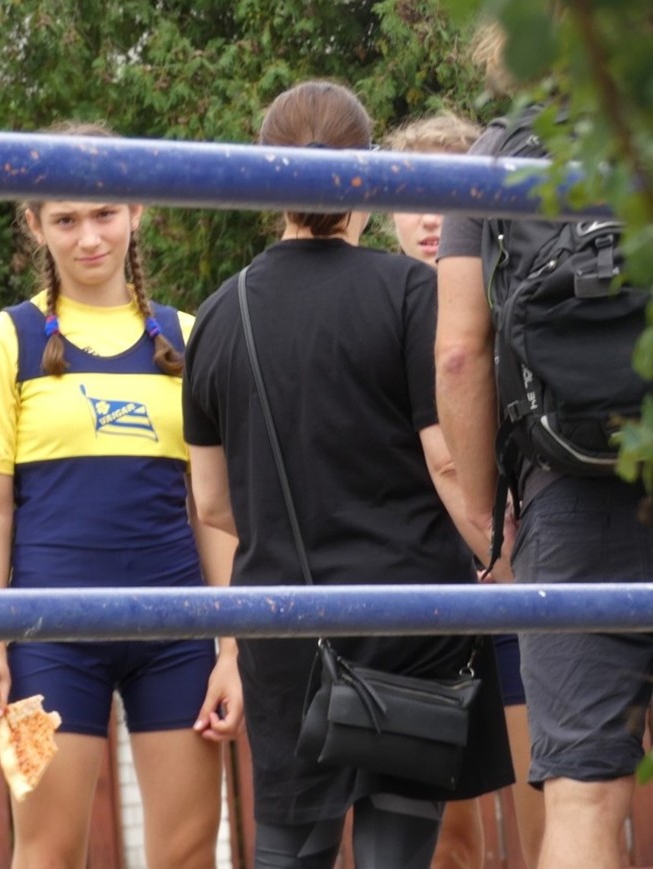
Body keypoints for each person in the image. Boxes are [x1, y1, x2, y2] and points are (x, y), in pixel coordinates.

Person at [182, 81, 513, 869]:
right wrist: (505, 559)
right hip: (407, 624)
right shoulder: (409, 291)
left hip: (287, 628)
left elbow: (212, 500)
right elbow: (447, 459)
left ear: (265, 177)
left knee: (290, 850)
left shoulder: (221, 314)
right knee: (397, 854)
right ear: (369, 173)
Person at [0, 121, 243, 869]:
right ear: (35, 225)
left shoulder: (188, 336)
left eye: (105, 213)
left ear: (136, 210)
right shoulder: (4, 339)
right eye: (66, 219)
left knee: (188, 854)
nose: (89, 237)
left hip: (177, 636)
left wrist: (233, 648)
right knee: (44, 854)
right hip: (44, 641)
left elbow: (213, 510)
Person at [435, 28, 653, 869]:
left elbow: (459, 354)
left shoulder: (494, 156)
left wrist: (489, 518)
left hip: (567, 490)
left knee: (584, 794)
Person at [386, 111, 544, 869]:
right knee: (446, 844)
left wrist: (499, 546)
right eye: (413, 197)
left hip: (515, 569)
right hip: (423, 601)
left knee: (552, 813)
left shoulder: (524, 298)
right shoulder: (371, 307)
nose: (431, 219)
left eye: (450, 199)